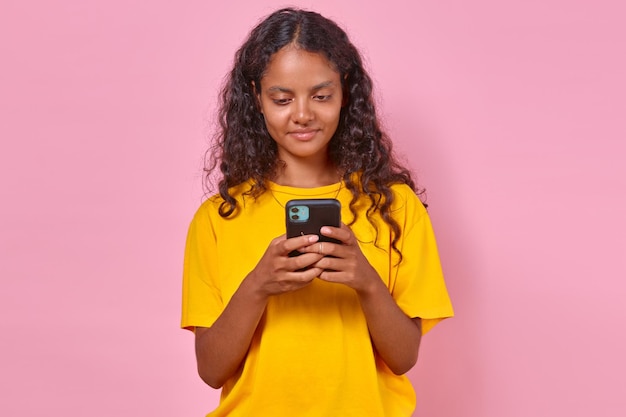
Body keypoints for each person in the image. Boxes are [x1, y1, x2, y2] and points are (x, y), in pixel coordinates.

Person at [181, 7, 454, 416]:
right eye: (282, 98)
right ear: (256, 97)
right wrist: (259, 284)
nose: (303, 114)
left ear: (346, 93)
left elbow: (404, 358)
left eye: (322, 95)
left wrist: (365, 280)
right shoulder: (219, 218)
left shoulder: (395, 207)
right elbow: (211, 369)